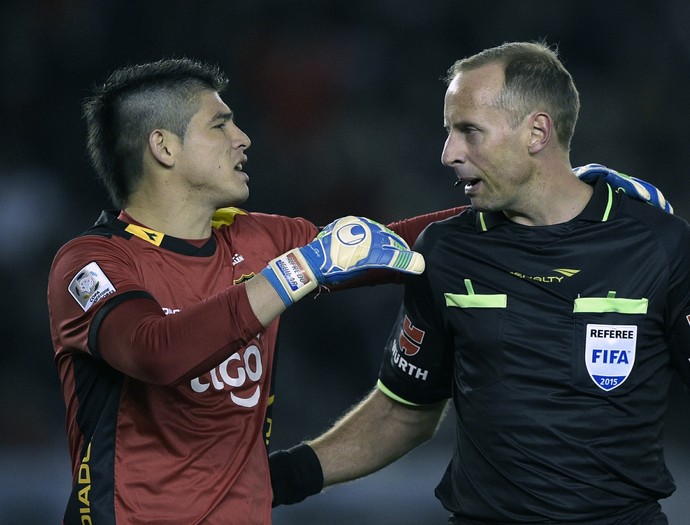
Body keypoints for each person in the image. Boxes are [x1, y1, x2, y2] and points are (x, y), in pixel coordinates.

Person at [269, 41, 690, 524]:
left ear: (536, 132)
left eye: (469, 131)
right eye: (449, 131)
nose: (449, 153)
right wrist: (277, 478)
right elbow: (403, 412)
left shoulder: (659, 244)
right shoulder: (447, 251)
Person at [47, 57, 465, 525]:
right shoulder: (91, 263)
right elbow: (155, 352)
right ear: (163, 147)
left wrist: (528, 201)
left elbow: (388, 246)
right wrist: (300, 268)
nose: (242, 139)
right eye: (220, 124)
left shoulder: (257, 240)